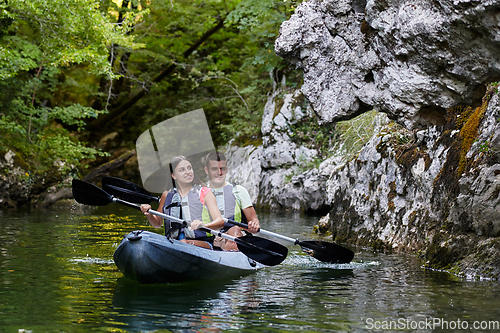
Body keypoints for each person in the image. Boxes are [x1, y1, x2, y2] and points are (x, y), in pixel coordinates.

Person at [140, 156, 224, 249]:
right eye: (181, 170)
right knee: (180, 243)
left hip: (203, 243)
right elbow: (157, 223)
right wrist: (149, 214)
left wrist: (204, 225)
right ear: (173, 175)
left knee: (183, 243)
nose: (188, 172)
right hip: (173, 242)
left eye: (189, 168)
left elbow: (220, 221)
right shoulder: (167, 195)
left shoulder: (205, 192)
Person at [204, 151, 261, 251]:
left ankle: (233, 254)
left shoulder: (239, 191)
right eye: (214, 169)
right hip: (210, 238)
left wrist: (254, 224)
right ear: (206, 170)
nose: (219, 173)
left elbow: (253, 219)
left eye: (222, 169)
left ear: (226, 169)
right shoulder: (199, 193)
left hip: (236, 235)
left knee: (234, 230)